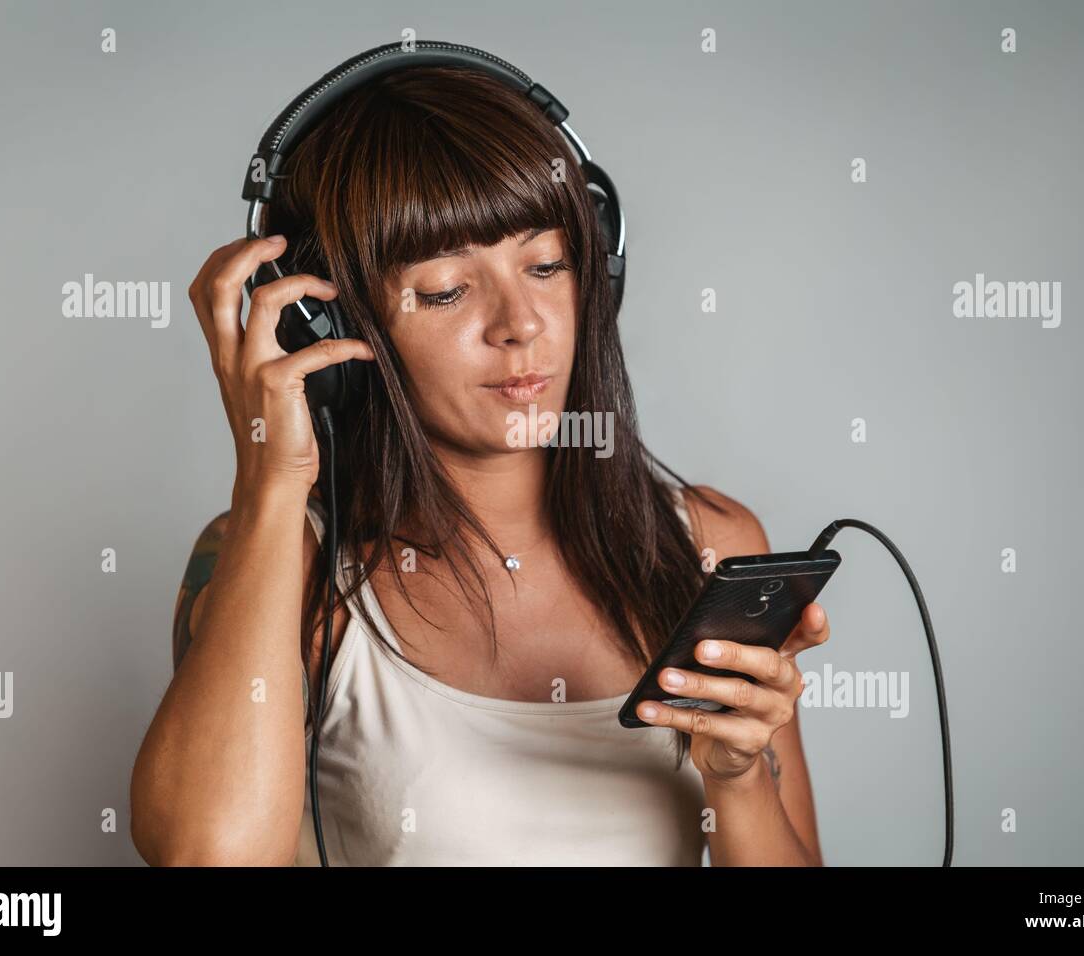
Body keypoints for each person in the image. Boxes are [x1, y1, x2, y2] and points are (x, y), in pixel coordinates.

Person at [129, 64, 829, 866]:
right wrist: (268, 483)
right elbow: (206, 855)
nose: (520, 324)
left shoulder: (710, 544)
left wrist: (736, 778)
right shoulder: (285, 557)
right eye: (446, 291)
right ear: (328, 327)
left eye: (546, 265)